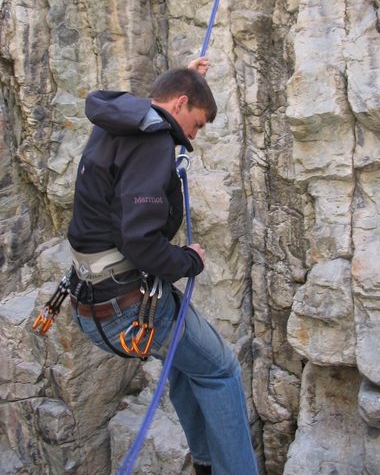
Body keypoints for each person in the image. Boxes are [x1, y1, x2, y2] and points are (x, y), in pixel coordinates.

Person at [67, 58, 259, 475]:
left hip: (92, 302)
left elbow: (160, 105)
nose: (193, 136)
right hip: (125, 306)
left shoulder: (117, 121)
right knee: (222, 369)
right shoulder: (153, 139)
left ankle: (207, 463)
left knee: (190, 366)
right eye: (198, 123)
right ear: (181, 103)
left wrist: (188, 76)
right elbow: (139, 240)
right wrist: (188, 261)